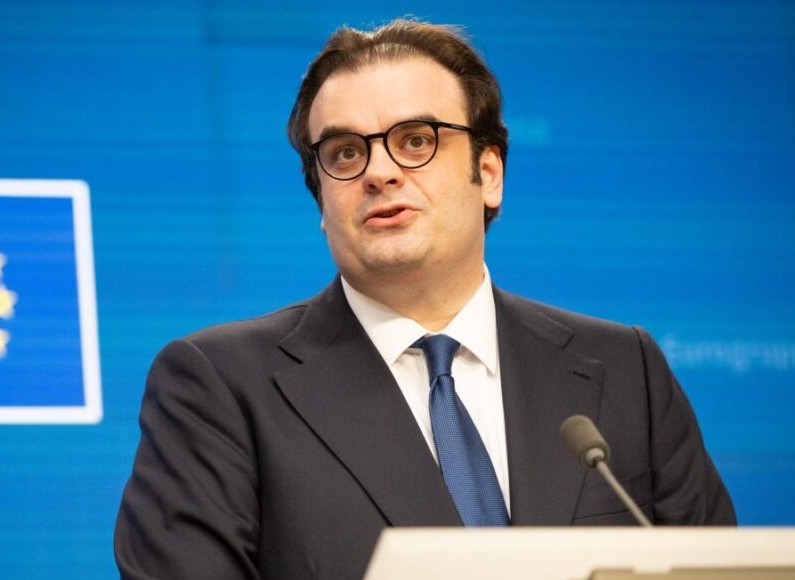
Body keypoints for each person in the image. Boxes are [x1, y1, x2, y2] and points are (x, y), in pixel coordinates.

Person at [114, 18, 735, 580]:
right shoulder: (221, 387)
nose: (379, 172)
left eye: (416, 140)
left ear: (488, 174)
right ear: (322, 204)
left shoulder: (624, 369)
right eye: (345, 153)